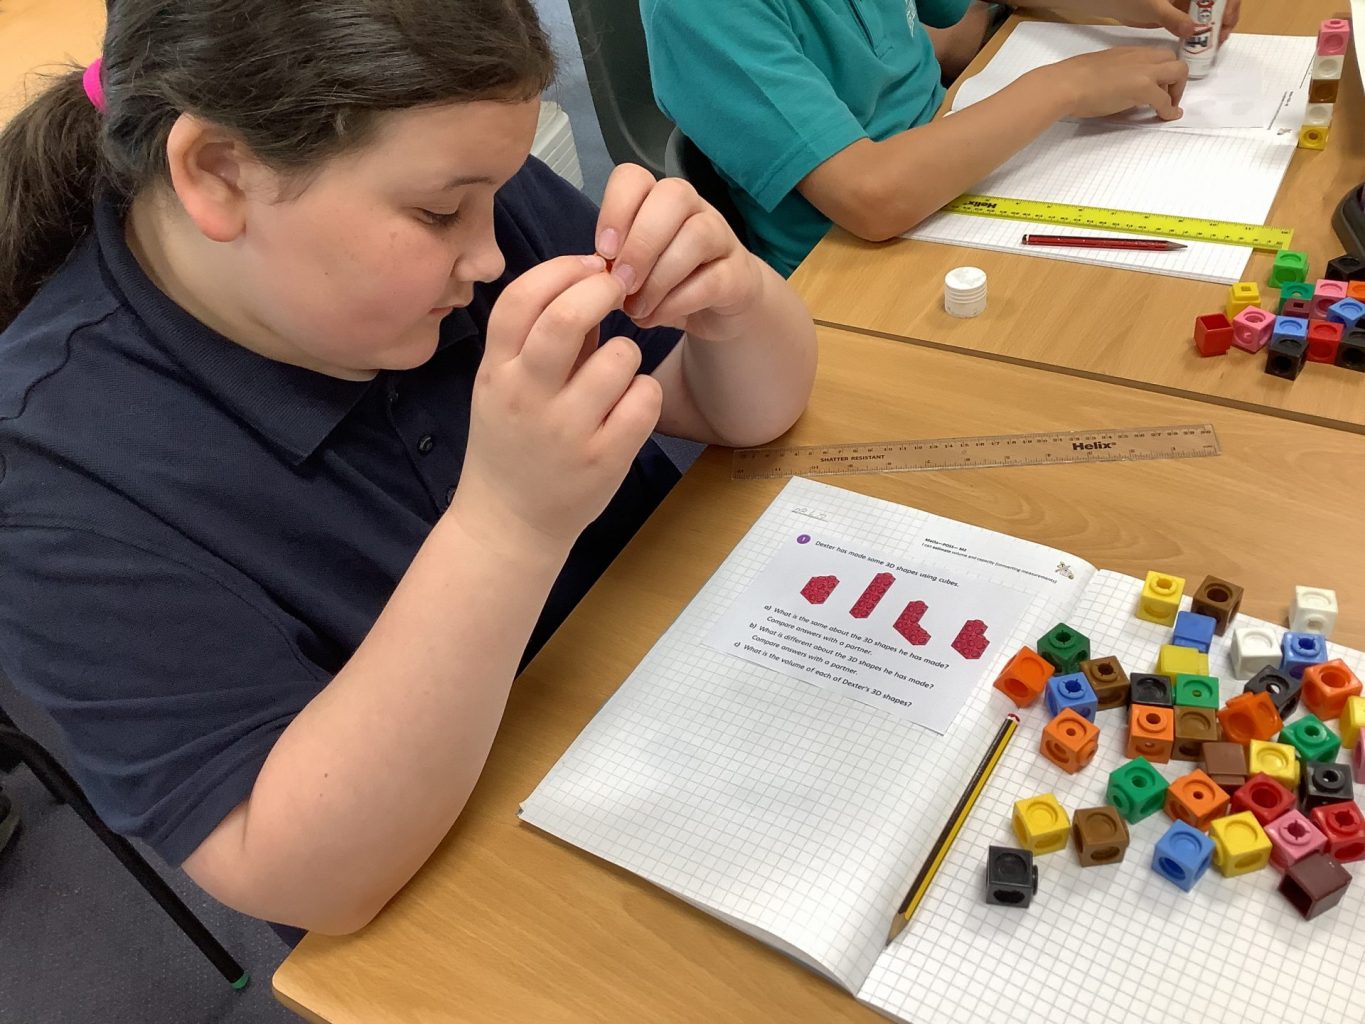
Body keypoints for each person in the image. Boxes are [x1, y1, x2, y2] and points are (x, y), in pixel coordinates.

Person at [0, 0, 816, 938]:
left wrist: (735, 299)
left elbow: (729, 407)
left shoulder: (459, 195)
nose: (491, 254)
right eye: (438, 213)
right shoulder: (52, 480)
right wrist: (507, 525)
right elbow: (300, 875)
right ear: (220, 172)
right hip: (480, 900)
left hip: (689, 706)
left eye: (495, 192)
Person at [641, 0, 1242, 277]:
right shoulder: (698, 10)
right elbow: (870, 198)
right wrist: (1066, 87)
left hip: (950, 168)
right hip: (853, 265)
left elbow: (955, 20)